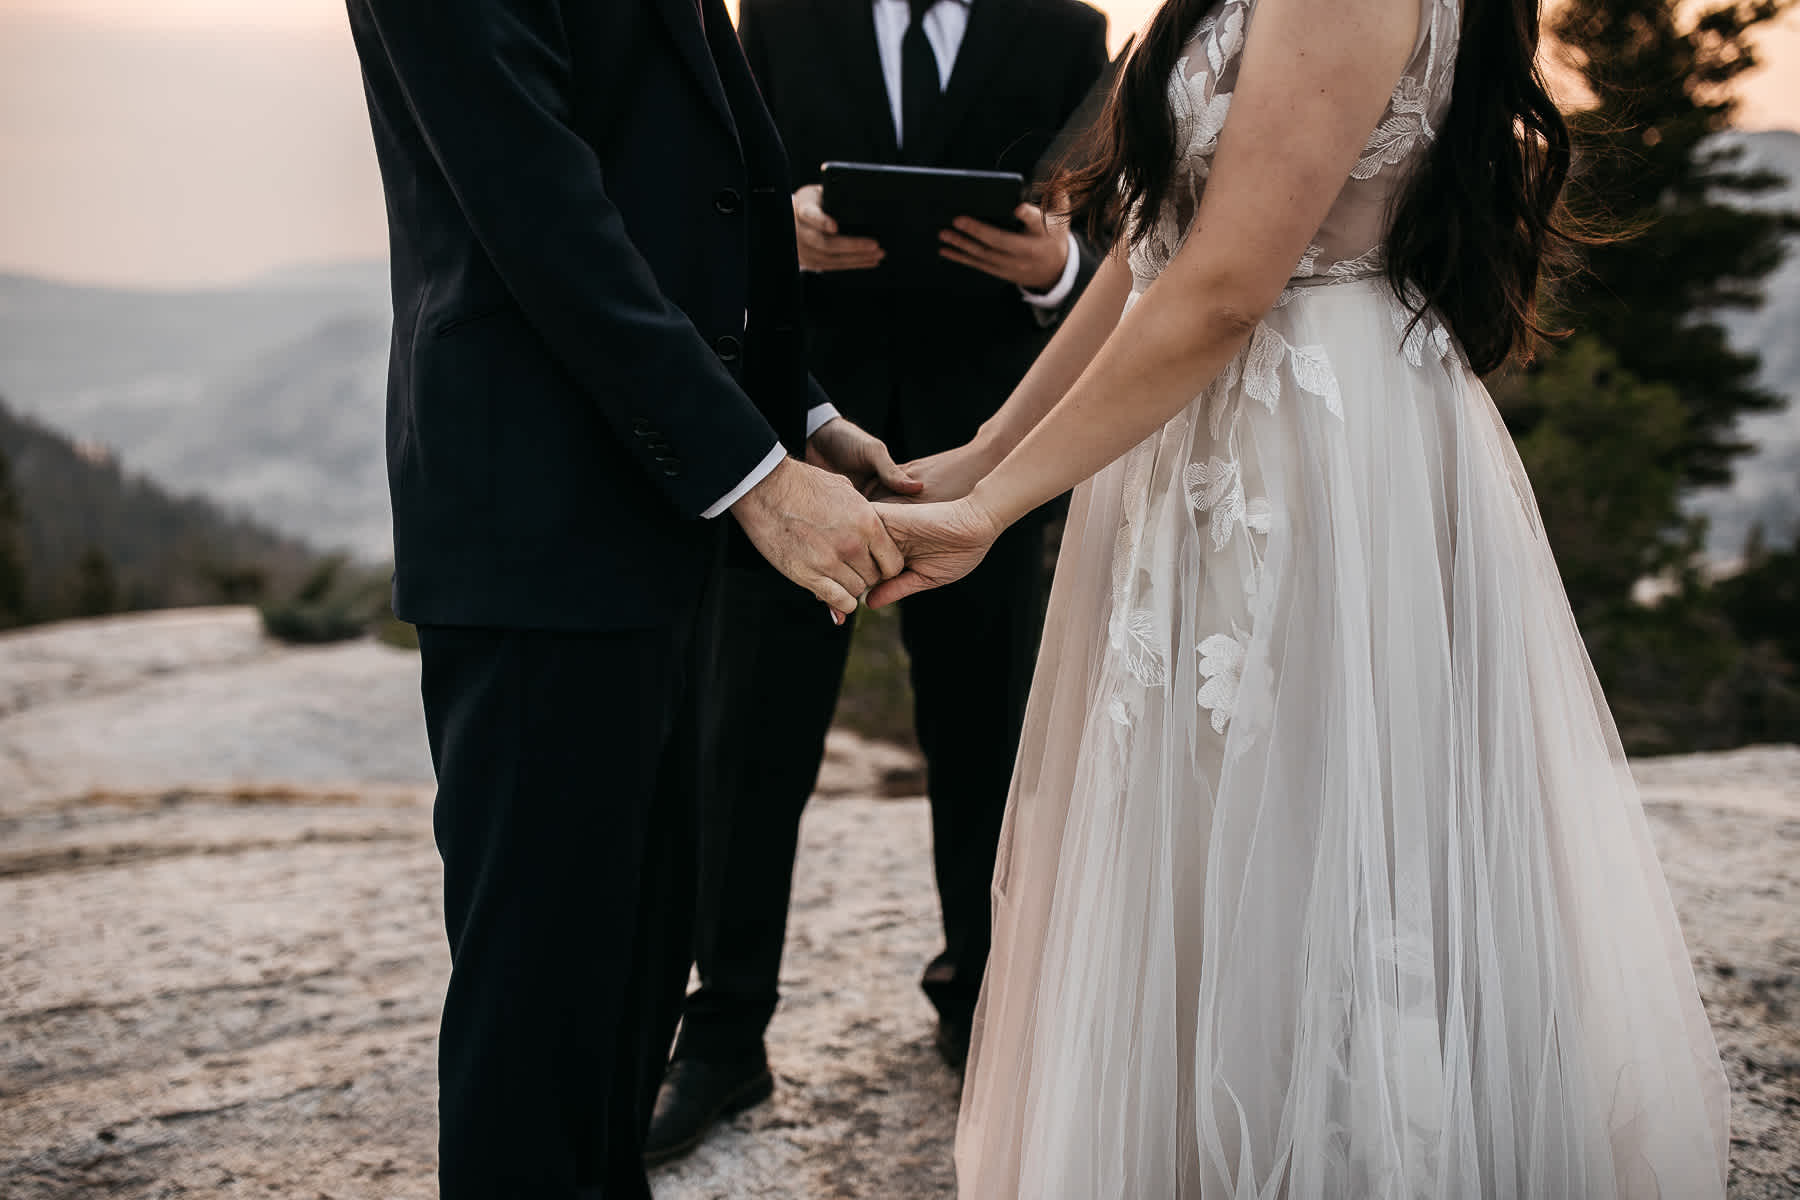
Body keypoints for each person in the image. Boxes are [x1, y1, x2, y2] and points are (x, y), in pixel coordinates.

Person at [870, 0, 1734, 1193]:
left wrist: (997, 507)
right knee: (1206, 833)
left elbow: (1227, 285)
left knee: (1318, 829)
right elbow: (1156, 247)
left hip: (1314, 459)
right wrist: (987, 451)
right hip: (1202, 432)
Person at [344, 0, 920, 1195]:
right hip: (536, 518)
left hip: (662, 504)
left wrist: (791, 416)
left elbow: (688, 178)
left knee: (633, 976)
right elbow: (539, 208)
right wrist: (756, 476)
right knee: (540, 1007)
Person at [645, 0, 1109, 1164]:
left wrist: (1055, 268)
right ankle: (723, 1035)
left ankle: (983, 1009)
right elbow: (723, 198)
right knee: (745, 747)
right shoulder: (780, 20)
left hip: (987, 460)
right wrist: (781, 226)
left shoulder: (1066, 32)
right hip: (800, 453)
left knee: (989, 745)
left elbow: (1116, 243)